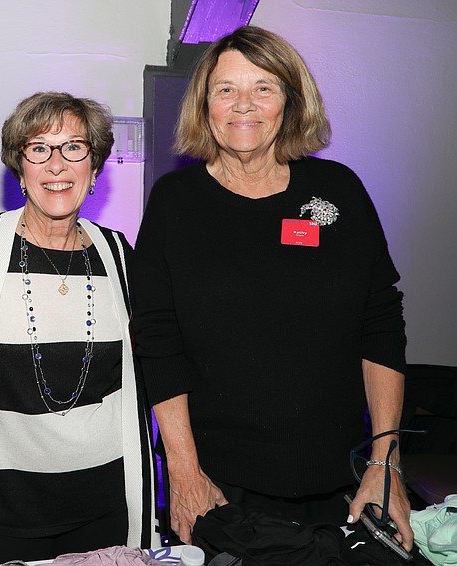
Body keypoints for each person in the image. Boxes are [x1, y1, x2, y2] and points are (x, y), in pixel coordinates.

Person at [131, 25, 412, 551]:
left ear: (290, 99)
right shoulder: (175, 203)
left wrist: (386, 462)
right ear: (204, 103)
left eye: (263, 87)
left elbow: (380, 322)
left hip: (347, 479)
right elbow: (157, 342)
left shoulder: (339, 191)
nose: (245, 105)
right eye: (226, 89)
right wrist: (185, 474)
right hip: (221, 488)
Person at [0, 92, 160, 564]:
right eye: (39, 148)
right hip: (3, 515)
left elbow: (160, 362)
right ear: (20, 167)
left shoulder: (120, 257)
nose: (56, 164)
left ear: (94, 166)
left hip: (107, 511)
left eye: (73, 147)